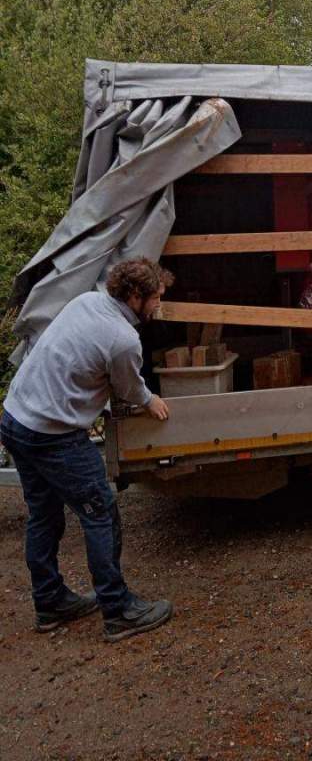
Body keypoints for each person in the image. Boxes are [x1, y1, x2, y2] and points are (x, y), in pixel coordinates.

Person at [0, 258, 175, 640]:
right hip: (52, 433)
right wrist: (150, 400)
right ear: (133, 295)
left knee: (44, 516)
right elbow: (129, 388)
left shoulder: (85, 302)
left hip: (15, 418)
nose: (158, 306)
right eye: (155, 298)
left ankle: (49, 603)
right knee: (101, 513)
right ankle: (118, 611)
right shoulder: (123, 339)